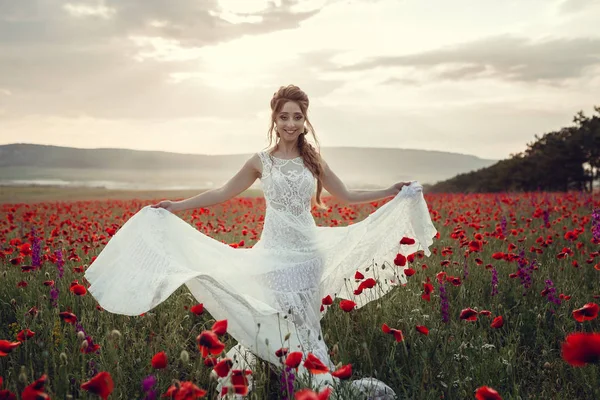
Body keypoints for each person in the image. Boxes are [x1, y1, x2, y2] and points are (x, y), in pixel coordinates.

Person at [84, 85, 438, 399]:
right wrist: (177, 206)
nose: (290, 123)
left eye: (297, 117)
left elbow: (346, 194)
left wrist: (390, 191)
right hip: (272, 254)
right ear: (274, 119)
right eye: (284, 116)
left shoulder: (313, 161)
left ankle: (312, 384)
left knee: (305, 325)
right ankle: (299, 382)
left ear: (305, 120)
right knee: (275, 320)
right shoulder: (261, 161)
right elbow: (223, 191)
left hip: (307, 255)